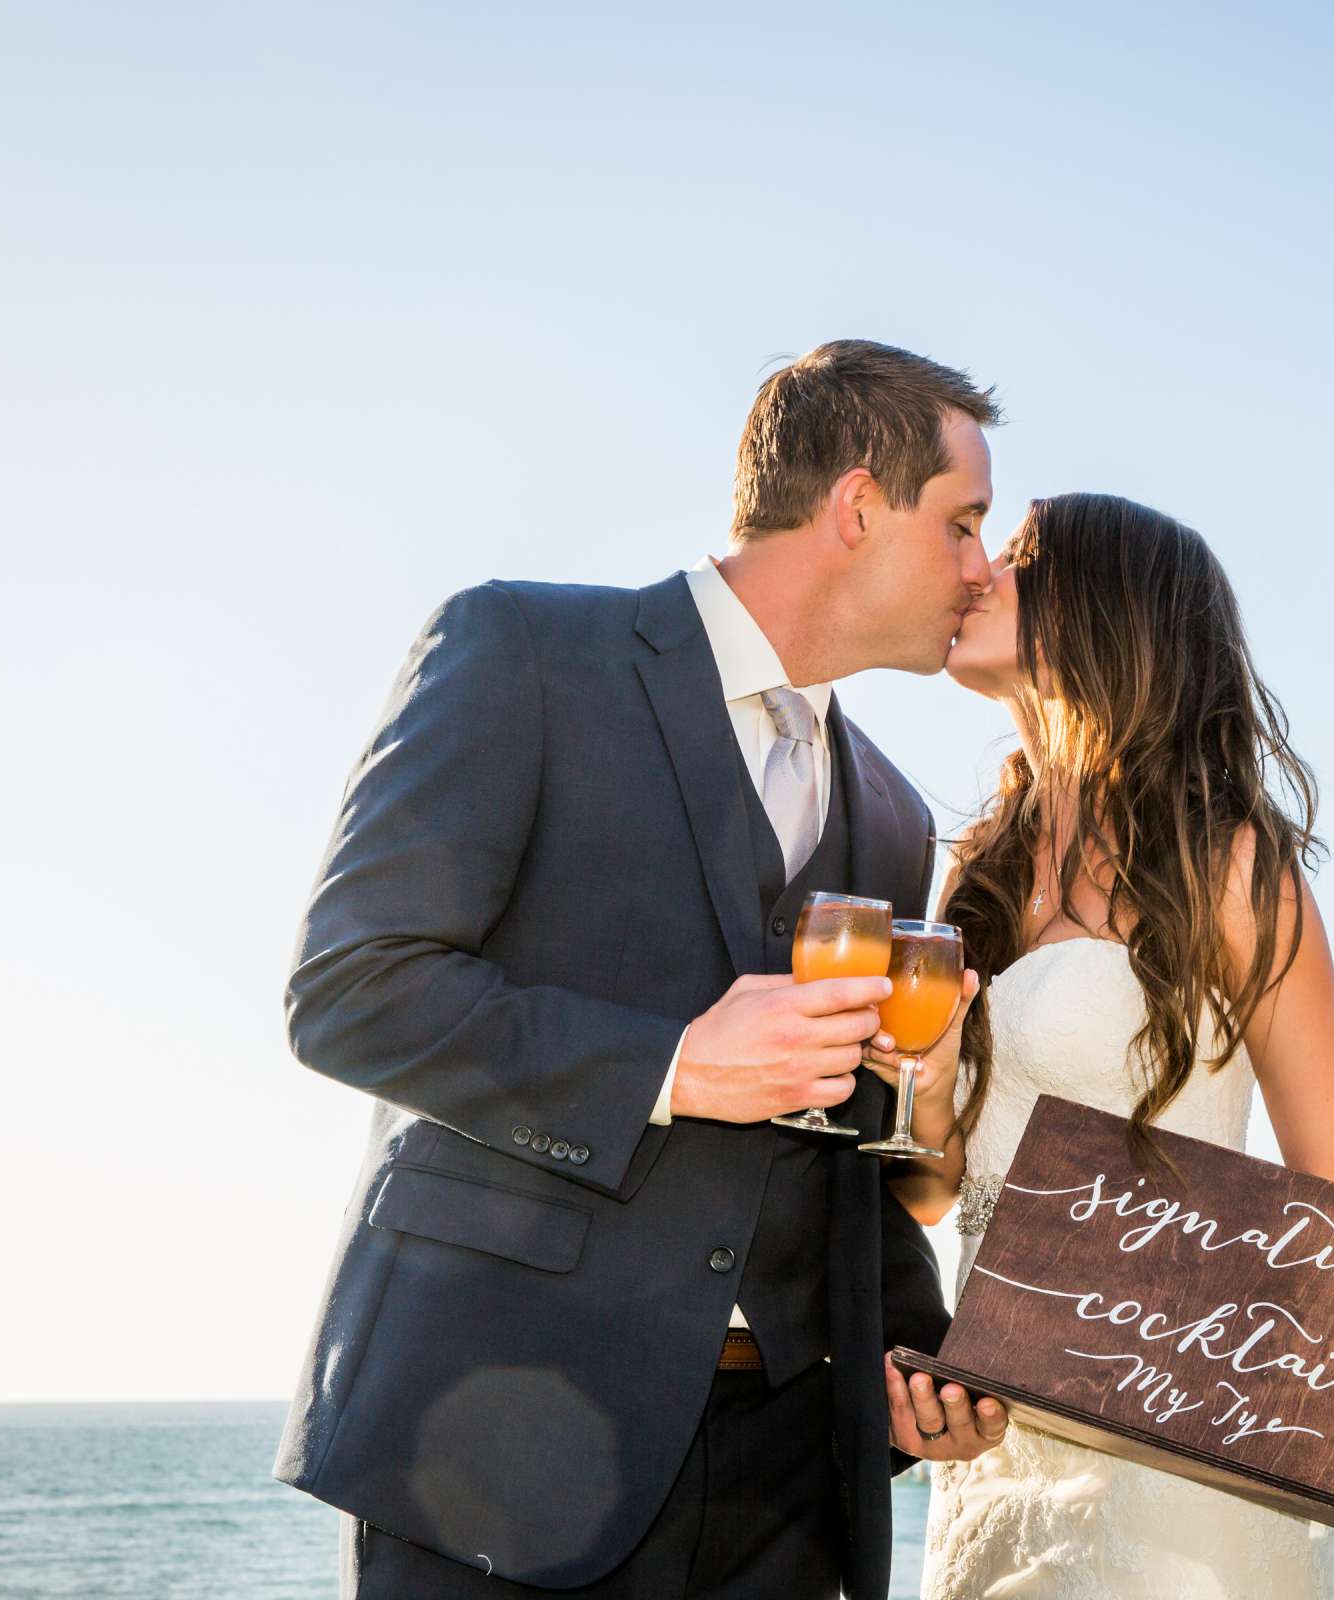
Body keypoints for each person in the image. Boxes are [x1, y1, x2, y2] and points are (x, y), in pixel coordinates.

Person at [272, 339, 1012, 1600]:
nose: (979, 569)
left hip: (785, 1488)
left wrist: (914, 1355)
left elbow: (849, 1141)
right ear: (856, 507)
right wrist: (668, 1066)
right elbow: (352, 987)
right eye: (962, 524)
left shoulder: (890, 813)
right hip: (489, 1445)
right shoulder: (525, 650)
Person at [866, 492, 1334, 1600]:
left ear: (1108, 610)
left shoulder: (1229, 866)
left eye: (1020, 556)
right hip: (998, 1467)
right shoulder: (975, 866)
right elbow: (934, 1189)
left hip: (1182, 1468)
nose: (977, 570)